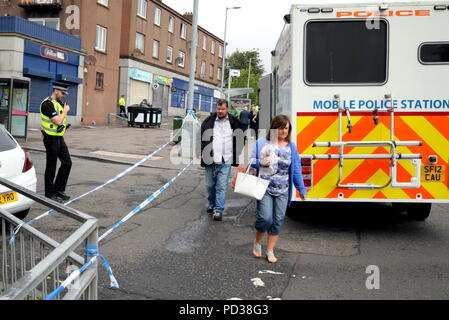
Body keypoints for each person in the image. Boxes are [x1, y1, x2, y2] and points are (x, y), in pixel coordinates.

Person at [250, 115, 307, 263]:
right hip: (265, 187)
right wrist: (260, 163)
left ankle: (269, 250)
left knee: (277, 220)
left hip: (283, 190)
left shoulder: (291, 147)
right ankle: (257, 242)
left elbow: (296, 170)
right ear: (275, 128)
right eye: (281, 128)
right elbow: (251, 161)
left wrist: (301, 189)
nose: (284, 131)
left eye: (286, 128)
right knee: (265, 217)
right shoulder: (262, 143)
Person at [200, 99, 244, 222]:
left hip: (227, 158)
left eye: (222, 109)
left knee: (221, 185)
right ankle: (211, 202)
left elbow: (241, 137)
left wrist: (237, 152)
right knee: (210, 185)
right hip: (211, 157)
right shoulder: (209, 121)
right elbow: (201, 136)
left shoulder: (234, 122)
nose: (220, 111)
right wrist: (201, 152)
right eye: (218, 109)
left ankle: (218, 210)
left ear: (227, 109)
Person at [40, 82, 73, 203]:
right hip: (50, 139)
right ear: (56, 90)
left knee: (67, 163)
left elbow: (60, 122)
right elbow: (58, 121)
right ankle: (49, 193)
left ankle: (58, 189)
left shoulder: (57, 103)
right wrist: (65, 111)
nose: (64, 95)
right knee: (51, 166)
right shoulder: (47, 104)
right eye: (62, 93)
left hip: (59, 137)